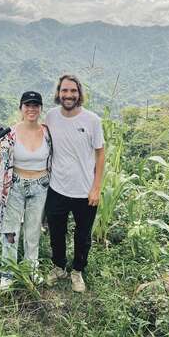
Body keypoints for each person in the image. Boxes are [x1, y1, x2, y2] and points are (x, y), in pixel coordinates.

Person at [44, 74, 105, 293]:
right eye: (64, 91)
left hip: (84, 190)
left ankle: (77, 270)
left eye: (73, 91)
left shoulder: (92, 120)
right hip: (57, 188)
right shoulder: (50, 116)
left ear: (79, 93)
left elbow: (100, 154)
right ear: (58, 93)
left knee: (83, 235)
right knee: (56, 232)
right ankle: (59, 266)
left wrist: (96, 187)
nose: (68, 95)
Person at [0, 91, 52, 289]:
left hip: (40, 186)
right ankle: (8, 273)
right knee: (10, 231)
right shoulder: (10, 134)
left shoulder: (47, 132)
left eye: (35, 105)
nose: (31, 109)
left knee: (33, 231)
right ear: (21, 108)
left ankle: (31, 269)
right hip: (14, 186)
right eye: (27, 105)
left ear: (40, 108)